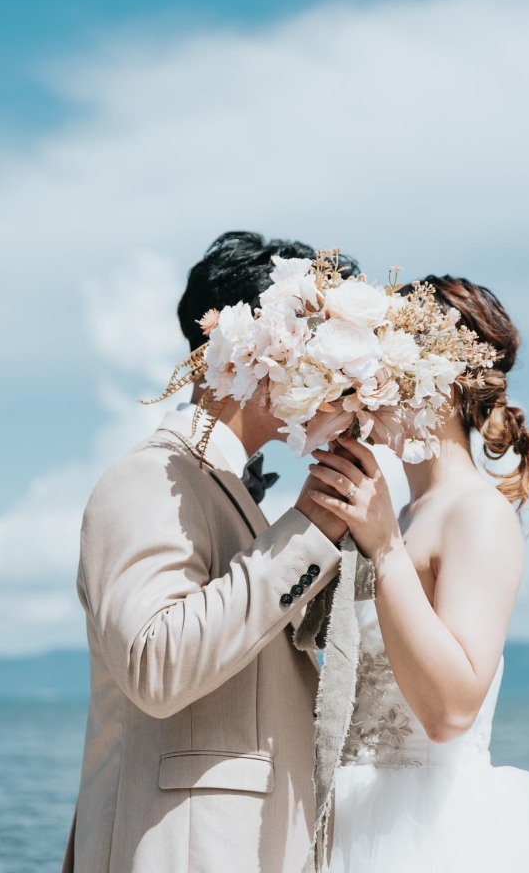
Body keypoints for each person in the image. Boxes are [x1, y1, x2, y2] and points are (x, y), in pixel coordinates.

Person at [62, 231, 359, 873]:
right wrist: (308, 525)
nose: (339, 373)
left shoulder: (228, 487)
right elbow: (157, 666)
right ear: (255, 345)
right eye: (322, 344)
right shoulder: (149, 478)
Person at [308, 276, 529, 872]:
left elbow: (451, 712)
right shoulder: (403, 514)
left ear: (436, 380)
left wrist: (386, 549)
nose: (362, 384)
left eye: (380, 362)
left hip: (423, 831)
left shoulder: (476, 513)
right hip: (341, 817)